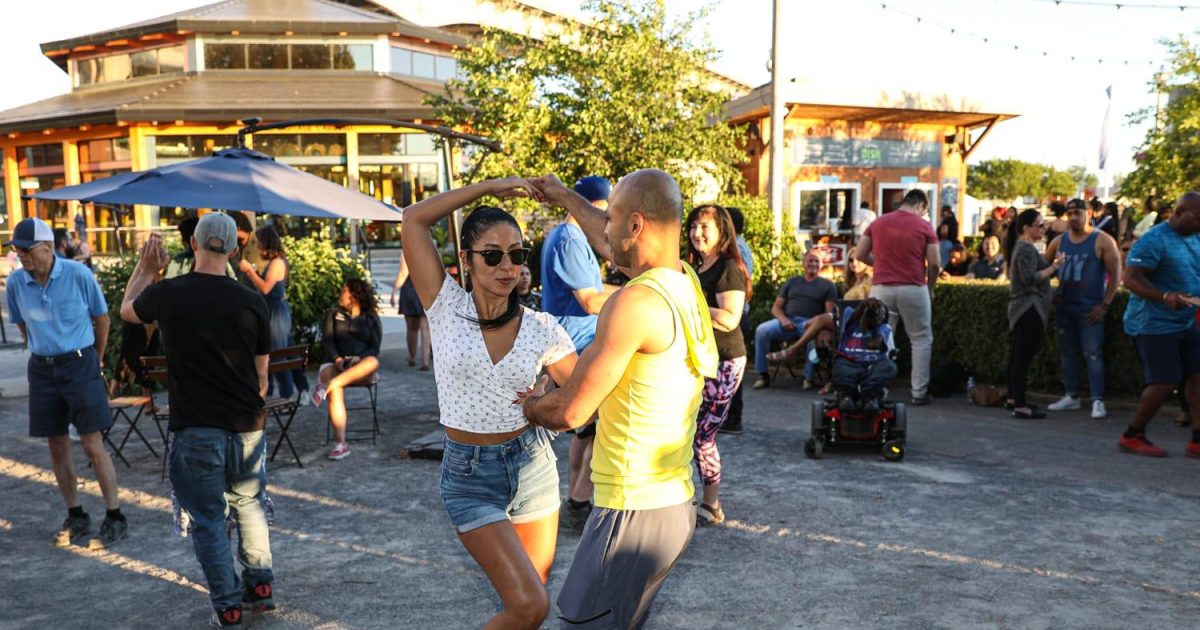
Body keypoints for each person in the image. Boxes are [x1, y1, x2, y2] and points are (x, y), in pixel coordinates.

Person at [522, 169, 719, 630]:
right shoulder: (684, 282)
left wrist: (526, 405)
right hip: (673, 505)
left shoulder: (633, 304)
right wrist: (564, 195)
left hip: (630, 511)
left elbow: (572, 409)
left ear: (635, 225)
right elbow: (612, 239)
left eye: (611, 218)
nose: (602, 231)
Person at [402, 177, 578, 629]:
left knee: (531, 607)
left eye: (517, 254)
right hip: (469, 476)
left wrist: (547, 401)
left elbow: (583, 395)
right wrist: (489, 187)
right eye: (493, 255)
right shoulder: (444, 306)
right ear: (466, 260)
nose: (507, 267)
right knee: (529, 605)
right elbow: (413, 218)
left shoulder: (543, 328)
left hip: (532, 467)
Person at [120, 214, 275, 627]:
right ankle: (260, 583)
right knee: (249, 505)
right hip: (246, 423)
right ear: (234, 249)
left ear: (193, 244)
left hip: (196, 425)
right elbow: (263, 376)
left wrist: (147, 268)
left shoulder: (170, 293)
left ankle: (227, 604)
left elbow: (126, 311)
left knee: (208, 518)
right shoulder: (251, 300)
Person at [5, 217, 126, 549]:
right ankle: (76, 514)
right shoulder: (16, 283)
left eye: (27, 251)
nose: (22, 257)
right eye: (17, 251)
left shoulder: (78, 275)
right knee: (56, 444)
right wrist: (43, 347)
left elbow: (101, 319)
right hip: (42, 368)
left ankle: (115, 516)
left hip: (80, 362)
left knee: (91, 444)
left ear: (47, 247)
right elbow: (21, 325)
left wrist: (94, 358)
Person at [539, 174, 615, 531]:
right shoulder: (570, 239)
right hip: (579, 345)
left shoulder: (567, 236)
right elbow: (589, 301)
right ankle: (580, 501)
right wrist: (642, 294)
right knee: (597, 428)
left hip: (575, 341)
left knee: (584, 430)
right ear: (594, 207)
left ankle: (576, 497)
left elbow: (593, 289)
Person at [1116, 191, 1200, 458]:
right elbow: (1130, 279)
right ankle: (1132, 435)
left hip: (1186, 320)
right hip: (1153, 323)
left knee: (1197, 377)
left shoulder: (1195, 236)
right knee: (1165, 381)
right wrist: (1165, 297)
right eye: (1197, 218)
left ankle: (1197, 441)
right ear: (1177, 213)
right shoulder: (1153, 240)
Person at [685, 204, 750, 525]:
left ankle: (712, 505)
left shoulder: (728, 268)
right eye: (694, 227)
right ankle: (689, 498)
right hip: (698, 360)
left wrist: (693, 303)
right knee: (686, 431)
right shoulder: (695, 266)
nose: (697, 233)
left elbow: (729, 318)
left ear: (722, 232)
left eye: (705, 227)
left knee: (703, 434)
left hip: (724, 361)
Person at [854, 188, 939, 405]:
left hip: (881, 288)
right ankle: (918, 392)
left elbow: (860, 254)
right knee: (920, 338)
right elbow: (935, 262)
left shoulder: (878, 223)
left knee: (880, 337)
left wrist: (881, 264)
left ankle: (878, 389)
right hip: (913, 287)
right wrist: (930, 287)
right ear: (921, 205)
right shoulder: (924, 226)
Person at [1045, 198, 1122, 419]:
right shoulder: (1059, 241)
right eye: (1070, 214)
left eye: (1078, 213)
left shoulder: (1103, 240)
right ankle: (1072, 396)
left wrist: (1104, 305)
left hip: (1090, 309)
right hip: (1064, 307)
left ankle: (1098, 399)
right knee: (1068, 354)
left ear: (1088, 214)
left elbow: (1116, 275)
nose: (1073, 218)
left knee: (1093, 354)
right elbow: (1043, 267)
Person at [1003, 209, 1064, 419]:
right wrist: (1054, 267)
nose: (1044, 228)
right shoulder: (1026, 248)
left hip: (1024, 309)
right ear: (1026, 227)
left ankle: (1013, 398)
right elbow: (1030, 278)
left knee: (1017, 356)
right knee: (1022, 358)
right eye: (1040, 225)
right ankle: (1019, 404)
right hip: (1028, 308)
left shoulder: (1024, 247)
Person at [239, 225, 310, 400]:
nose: (257, 246)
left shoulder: (277, 262)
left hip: (276, 313)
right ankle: (300, 390)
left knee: (278, 356)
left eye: (259, 242)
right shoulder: (275, 262)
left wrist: (249, 271)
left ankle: (286, 397)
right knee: (288, 351)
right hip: (274, 311)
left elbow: (265, 288)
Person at [316, 278, 383, 460]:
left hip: (359, 367)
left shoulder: (371, 317)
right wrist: (337, 358)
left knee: (372, 362)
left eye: (344, 290)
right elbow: (327, 340)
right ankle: (341, 443)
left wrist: (358, 359)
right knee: (335, 390)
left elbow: (375, 348)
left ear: (353, 295)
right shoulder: (333, 313)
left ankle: (327, 386)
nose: (340, 293)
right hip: (335, 364)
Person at [830, 298, 897, 412]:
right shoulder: (850, 322)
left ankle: (871, 397)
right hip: (850, 361)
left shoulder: (883, 328)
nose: (872, 317)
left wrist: (866, 329)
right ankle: (846, 396)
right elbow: (854, 314)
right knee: (840, 366)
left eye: (876, 316)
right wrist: (864, 306)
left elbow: (873, 345)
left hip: (873, 364)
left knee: (889, 366)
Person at [722, 206, 755, 435]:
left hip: (736, 314)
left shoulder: (737, 251)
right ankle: (729, 417)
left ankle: (733, 419)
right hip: (739, 313)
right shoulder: (739, 248)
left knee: (731, 367)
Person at [391, 251, 431, 369]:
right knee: (426, 328)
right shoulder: (430, 248)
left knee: (412, 328)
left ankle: (412, 357)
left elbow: (403, 273)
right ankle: (425, 361)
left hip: (411, 290)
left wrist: (393, 292)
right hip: (426, 289)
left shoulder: (407, 251)